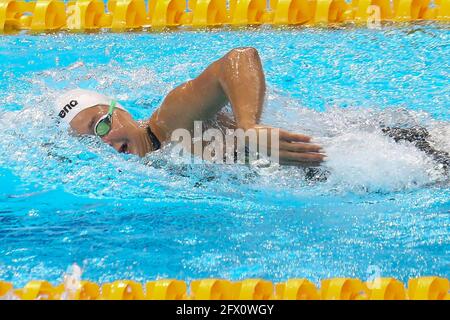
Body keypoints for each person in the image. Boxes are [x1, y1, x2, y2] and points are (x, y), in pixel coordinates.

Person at [54, 47, 326, 166]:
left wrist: (249, 126)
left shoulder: (171, 120)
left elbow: (237, 59)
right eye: (91, 141)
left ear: (121, 111)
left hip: (333, 148)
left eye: (100, 125)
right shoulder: (155, 162)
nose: (104, 143)